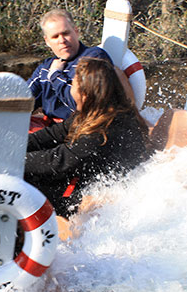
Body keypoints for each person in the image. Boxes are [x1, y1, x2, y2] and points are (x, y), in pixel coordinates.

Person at [24, 57, 148, 218]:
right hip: (79, 179)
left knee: (22, 177)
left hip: (88, 198)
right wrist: (12, 147)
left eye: (73, 84)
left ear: (86, 93)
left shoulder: (105, 128)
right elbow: (52, 134)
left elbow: (59, 160)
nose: (70, 89)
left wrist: (12, 160)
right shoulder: (96, 113)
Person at [27, 9, 113, 122]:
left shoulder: (94, 58)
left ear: (76, 31)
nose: (62, 40)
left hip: (81, 127)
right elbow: (24, 98)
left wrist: (55, 76)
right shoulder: (45, 67)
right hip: (50, 127)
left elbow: (81, 104)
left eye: (66, 33)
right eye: (55, 36)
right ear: (47, 41)